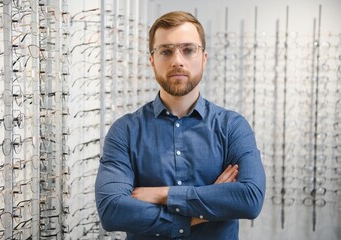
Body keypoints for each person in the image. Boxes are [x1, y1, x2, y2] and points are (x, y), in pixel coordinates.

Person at [95, 11, 266, 240]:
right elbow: (112, 211)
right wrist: (203, 211)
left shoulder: (232, 127)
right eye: (166, 51)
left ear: (204, 58)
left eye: (188, 50)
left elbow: (250, 199)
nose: (177, 60)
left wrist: (163, 194)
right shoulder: (125, 131)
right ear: (152, 60)